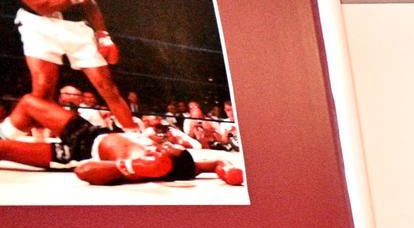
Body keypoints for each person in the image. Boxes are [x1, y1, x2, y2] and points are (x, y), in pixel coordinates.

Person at [1, 0, 137, 131]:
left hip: (74, 26)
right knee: (42, 88)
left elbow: (89, 0)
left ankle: (135, 135)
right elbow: (39, 5)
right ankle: (36, 140)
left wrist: (103, 35)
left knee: (106, 86)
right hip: (36, 22)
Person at [0, 90, 242, 187]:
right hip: (91, 132)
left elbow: (83, 171)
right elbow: (212, 163)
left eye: (165, 149)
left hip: (77, 154)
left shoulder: (142, 169)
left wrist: (129, 165)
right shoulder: (188, 165)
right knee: (30, 102)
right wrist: (227, 169)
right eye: (168, 147)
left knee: (2, 149)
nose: (164, 145)